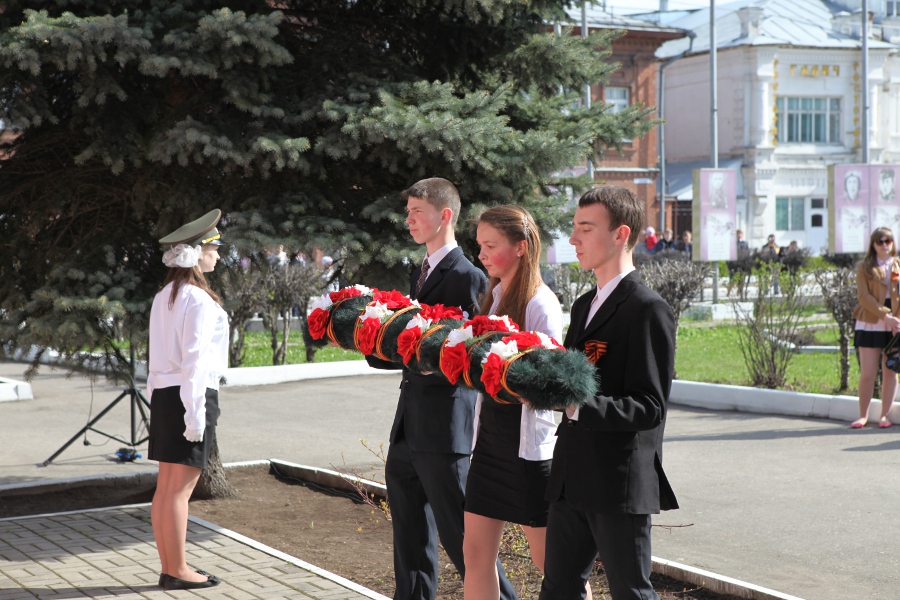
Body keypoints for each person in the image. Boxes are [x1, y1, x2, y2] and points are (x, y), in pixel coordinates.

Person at [366, 178, 515, 600]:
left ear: (445, 215)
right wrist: (372, 340)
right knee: (410, 541)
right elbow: (411, 345)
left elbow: (469, 356)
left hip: (445, 430)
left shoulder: (468, 277)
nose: (408, 220)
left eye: (417, 212)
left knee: (467, 543)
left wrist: (413, 349)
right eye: (408, 212)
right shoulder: (420, 272)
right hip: (408, 428)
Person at [539, 185, 678, 600]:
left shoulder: (647, 309)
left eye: (586, 228)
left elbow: (649, 407)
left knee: (631, 592)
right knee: (558, 590)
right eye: (574, 227)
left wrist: (577, 406)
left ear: (620, 234)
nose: (573, 239)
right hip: (572, 475)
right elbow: (572, 378)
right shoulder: (584, 305)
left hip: (617, 481)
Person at [464, 206, 590, 600]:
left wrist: (500, 373)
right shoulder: (495, 294)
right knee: (475, 554)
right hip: (489, 446)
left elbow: (547, 385)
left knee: (553, 564)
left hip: (528, 454)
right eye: (480, 245)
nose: (482, 254)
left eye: (491, 245)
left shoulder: (540, 304)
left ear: (521, 247)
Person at [147, 209, 228, 591]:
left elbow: (155, 358)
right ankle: (177, 569)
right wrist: (195, 416)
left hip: (166, 396)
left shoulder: (165, 295)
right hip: (189, 396)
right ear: (197, 253)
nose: (218, 255)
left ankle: (171, 567)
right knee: (178, 490)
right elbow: (195, 362)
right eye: (214, 248)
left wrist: (158, 403)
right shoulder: (198, 299)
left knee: (166, 488)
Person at [851, 227, 900, 429]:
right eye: (880, 241)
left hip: (895, 324)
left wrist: (896, 320)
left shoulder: (898, 265)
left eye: (888, 241)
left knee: (891, 371)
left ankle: (885, 416)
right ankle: (863, 415)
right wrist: (886, 316)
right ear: (873, 244)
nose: (884, 245)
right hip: (871, 321)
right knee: (868, 373)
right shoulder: (864, 267)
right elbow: (864, 297)